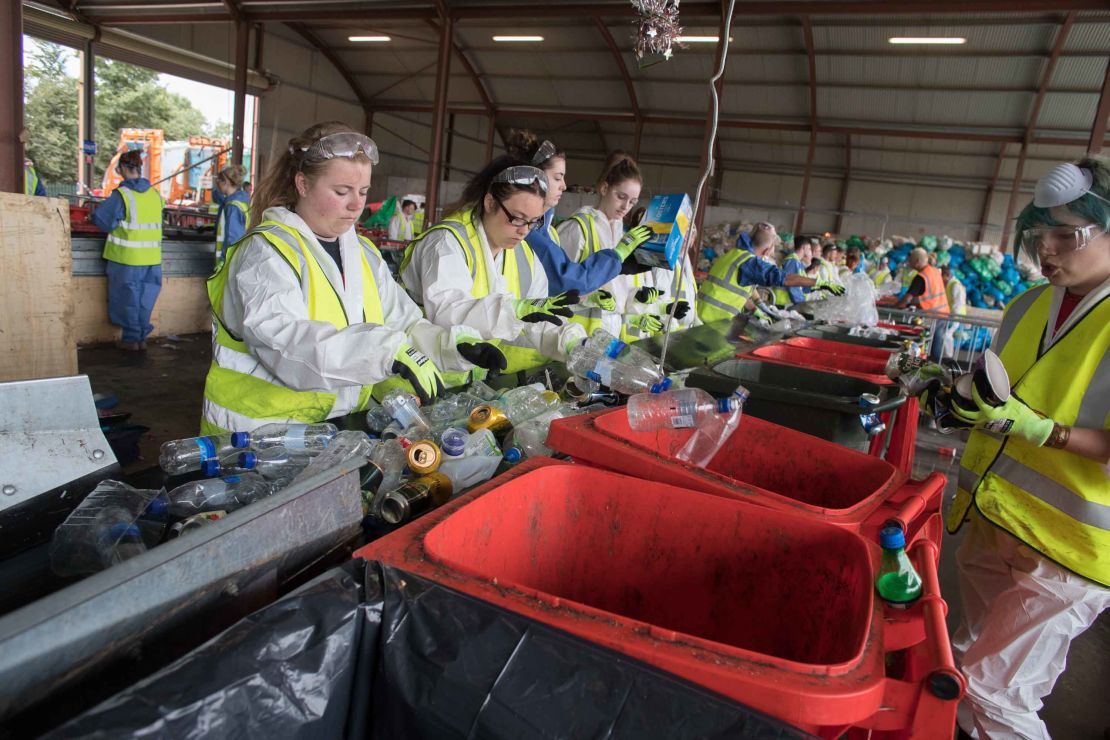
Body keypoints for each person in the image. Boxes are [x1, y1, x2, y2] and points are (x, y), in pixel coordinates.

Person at [945, 156, 1110, 740]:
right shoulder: (1027, 306)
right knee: (965, 667)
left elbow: (1036, 419)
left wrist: (1043, 430)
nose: (1048, 249)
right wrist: (965, 406)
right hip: (996, 518)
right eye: (1041, 234)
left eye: (1068, 235)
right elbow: (1002, 398)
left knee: (996, 689)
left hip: (1071, 548)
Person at [201, 121, 504, 434]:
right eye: (341, 191)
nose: (356, 204)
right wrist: (385, 351)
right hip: (253, 438)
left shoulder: (361, 252)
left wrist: (451, 345)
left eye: (363, 191)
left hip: (329, 433)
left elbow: (403, 322)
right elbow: (286, 344)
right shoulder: (265, 253)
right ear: (302, 184)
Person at [401, 155, 585, 385]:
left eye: (533, 221)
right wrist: (514, 310)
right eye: (517, 219)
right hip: (416, 381)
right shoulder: (446, 243)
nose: (524, 231)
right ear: (490, 203)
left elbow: (535, 319)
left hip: (467, 384)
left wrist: (571, 342)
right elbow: (448, 312)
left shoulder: (524, 257)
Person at [505, 131, 643, 303]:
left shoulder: (546, 229)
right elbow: (566, 281)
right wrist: (615, 259)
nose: (564, 186)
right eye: (557, 178)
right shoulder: (536, 230)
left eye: (633, 201)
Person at [558, 151, 664, 342]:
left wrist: (638, 304)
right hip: (576, 334)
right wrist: (590, 298)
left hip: (611, 332)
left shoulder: (622, 235)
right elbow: (556, 285)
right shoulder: (577, 228)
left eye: (632, 202)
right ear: (604, 188)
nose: (626, 206)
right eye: (621, 196)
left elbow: (621, 294)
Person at [697, 222, 843, 323]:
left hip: (705, 315)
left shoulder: (735, 254)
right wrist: (819, 283)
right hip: (713, 320)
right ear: (767, 250)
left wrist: (757, 308)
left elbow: (738, 290)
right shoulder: (750, 262)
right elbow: (784, 278)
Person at [91, 150, 164, 351]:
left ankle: (131, 340)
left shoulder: (122, 195)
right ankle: (140, 338)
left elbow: (102, 220)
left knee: (127, 298)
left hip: (127, 259)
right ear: (139, 169)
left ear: (122, 168)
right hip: (152, 260)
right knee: (144, 300)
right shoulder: (155, 195)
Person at [895, 247, 950, 360]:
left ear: (917, 261)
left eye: (911, 260)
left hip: (931, 316)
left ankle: (925, 368)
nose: (909, 262)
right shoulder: (934, 271)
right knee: (936, 344)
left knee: (922, 344)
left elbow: (907, 299)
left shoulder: (921, 277)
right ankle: (935, 368)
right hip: (943, 313)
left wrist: (896, 306)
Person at [212, 163, 250, 266]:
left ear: (227, 182)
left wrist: (224, 263)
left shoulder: (232, 206)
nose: (217, 184)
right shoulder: (241, 201)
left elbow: (233, 239)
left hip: (229, 263)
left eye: (219, 181)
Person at [772, 238, 811, 307]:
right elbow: (792, 285)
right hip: (784, 303)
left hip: (789, 303)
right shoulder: (793, 261)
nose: (810, 251)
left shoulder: (797, 262)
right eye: (809, 248)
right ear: (804, 247)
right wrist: (801, 303)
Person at [941, 265, 967, 358]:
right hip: (953, 315)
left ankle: (948, 356)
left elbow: (957, 303)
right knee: (946, 334)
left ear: (946, 275)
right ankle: (946, 355)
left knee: (946, 334)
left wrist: (952, 316)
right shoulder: (950, 285)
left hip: (955, 315)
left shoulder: (955, 285)